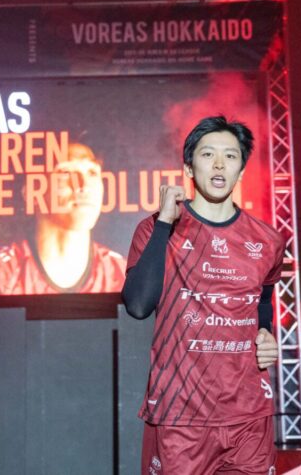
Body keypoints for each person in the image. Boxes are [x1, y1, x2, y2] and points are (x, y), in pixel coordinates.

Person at [121, 116, 285, 475]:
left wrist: (265, 332)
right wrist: (165, 222)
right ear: (188, 168)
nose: (219, 164)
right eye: (208, 154)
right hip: (180, 416)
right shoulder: (157, 229)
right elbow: (137, 305)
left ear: (241, 170)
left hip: (248, 416)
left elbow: (263, 299)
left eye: (231, 156)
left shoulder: (268, 240)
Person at [0, 142, 126, 294]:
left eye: (92, 172)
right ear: (32, 190)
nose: (84, 186)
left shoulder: (120, 273)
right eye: (65, 172)